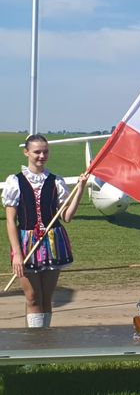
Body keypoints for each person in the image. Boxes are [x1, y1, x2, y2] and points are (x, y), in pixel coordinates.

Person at [3, 134, 87, 327]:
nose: (41, 156)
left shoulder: (56, 181)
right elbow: (10, 221)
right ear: (26, 153)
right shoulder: (14, 182)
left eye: (45, 151)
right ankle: (33, 342)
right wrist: (16, 253)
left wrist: (81, 188)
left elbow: (66, 217)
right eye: (37, 152)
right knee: (32, 296)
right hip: (25, 244)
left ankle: (44, 342)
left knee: (46, 297)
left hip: (53, 242)